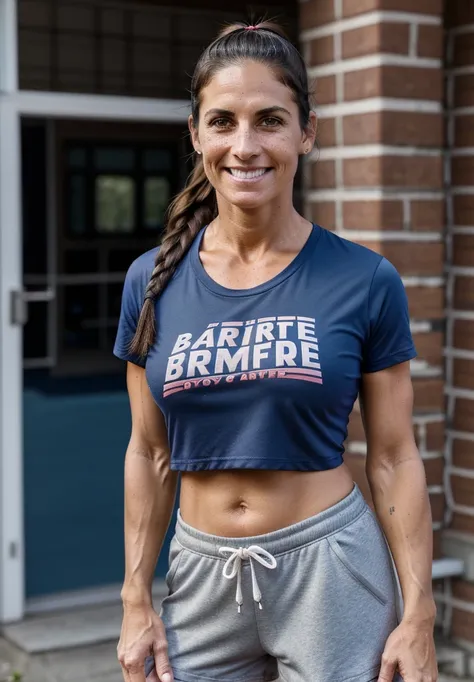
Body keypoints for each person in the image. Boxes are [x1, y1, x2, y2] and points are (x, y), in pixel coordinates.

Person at [113, 20, 438, 682]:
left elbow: (395, 456)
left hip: (332, 572)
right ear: (196, 134)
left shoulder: (364, 279)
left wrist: (420, 615)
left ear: (306, 133)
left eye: (269, 120)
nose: (245, 145)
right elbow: (149, 452)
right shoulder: (151, 281)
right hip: (200, 578)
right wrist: (135, 597)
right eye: (223, 121)